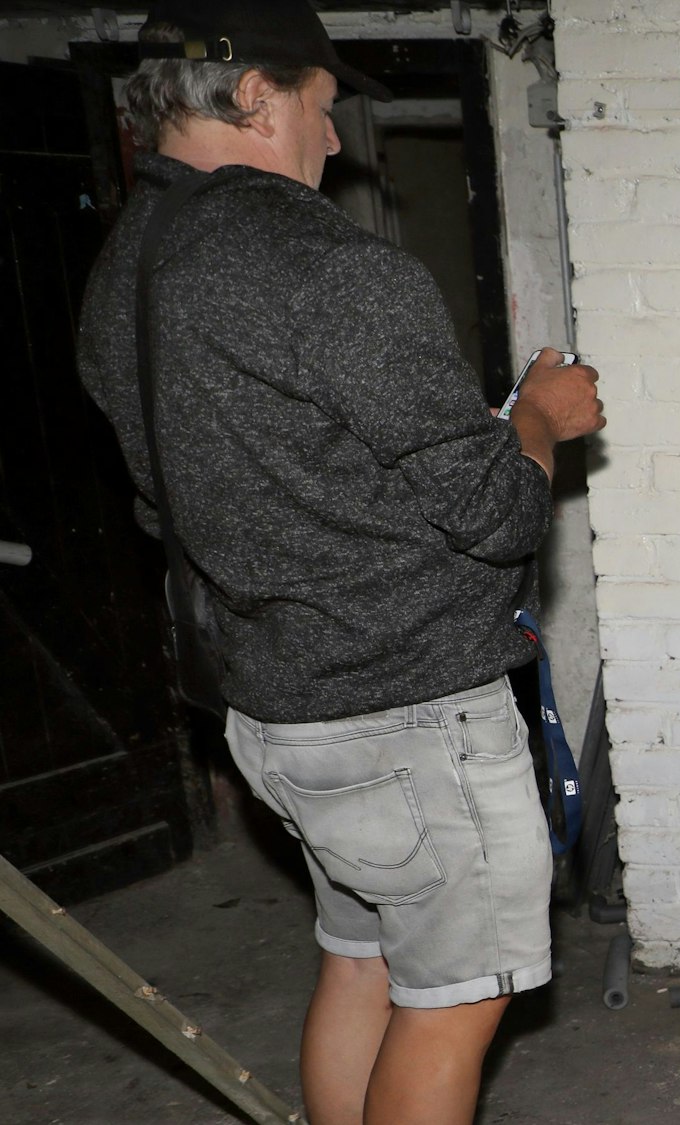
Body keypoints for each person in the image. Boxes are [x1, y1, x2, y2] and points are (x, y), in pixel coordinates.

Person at [74, 2, 604, 1122]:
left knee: (366, 963)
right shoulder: (320, 263)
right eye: (322, 108)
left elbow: (175, 499)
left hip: (278, 710)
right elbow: (498, 511)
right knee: (453, 1005)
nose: (335, 141)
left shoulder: (126, 267)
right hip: (406, 721)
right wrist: (543, 419)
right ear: (257, 96)